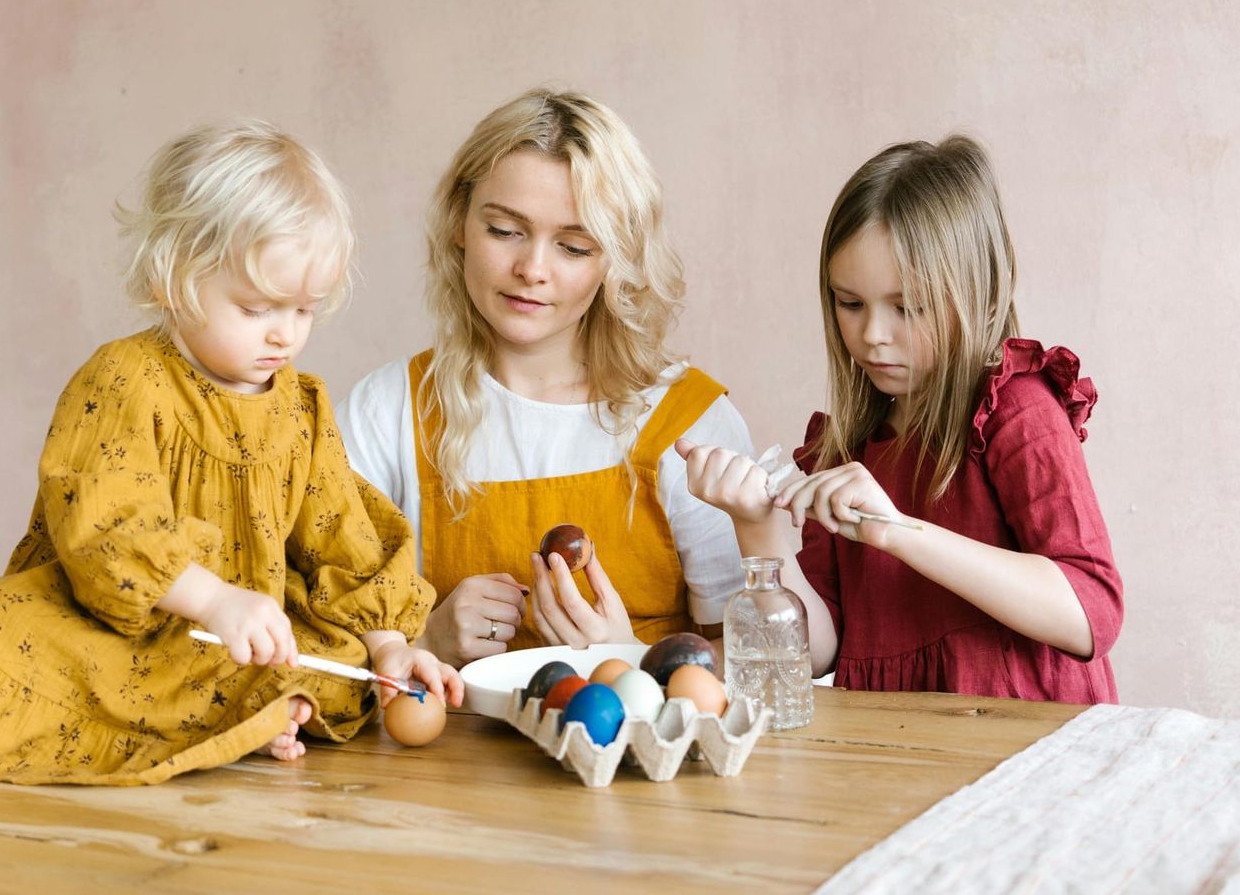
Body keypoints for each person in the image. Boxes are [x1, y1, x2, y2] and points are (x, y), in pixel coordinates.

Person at [0, 121, 461, 785]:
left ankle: (253, 714)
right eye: (258, 307)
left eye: (304, 310)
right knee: (4, 623)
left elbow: (339, 536)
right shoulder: (125, 381)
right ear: (172, 277)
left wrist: (389, 647)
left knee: (326, 653)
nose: (285, 334)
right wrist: (213, 601)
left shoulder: (298, 405)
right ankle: (240, 718)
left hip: (234, 638)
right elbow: (105, 529)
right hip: (130, 627)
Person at [679, 135, 1123, 703]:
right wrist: (756, 528)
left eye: (908, 307)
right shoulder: (847, 449)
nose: (872, 335)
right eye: (850, 303)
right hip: (895, 758)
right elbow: (817, 652)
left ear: (981, 294)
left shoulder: (1017, 411)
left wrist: (900, 534)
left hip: (1029, 757)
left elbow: (1092, 611)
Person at [336, 88, 752, 668]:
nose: (532, 270)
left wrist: (631, 656)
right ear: (460, 223)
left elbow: (753, 657)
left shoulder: (689, 422)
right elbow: (311, 637)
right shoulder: (386, 410)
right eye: (504, 231)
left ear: (617, 256)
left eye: (574, 246)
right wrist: (423, 642)